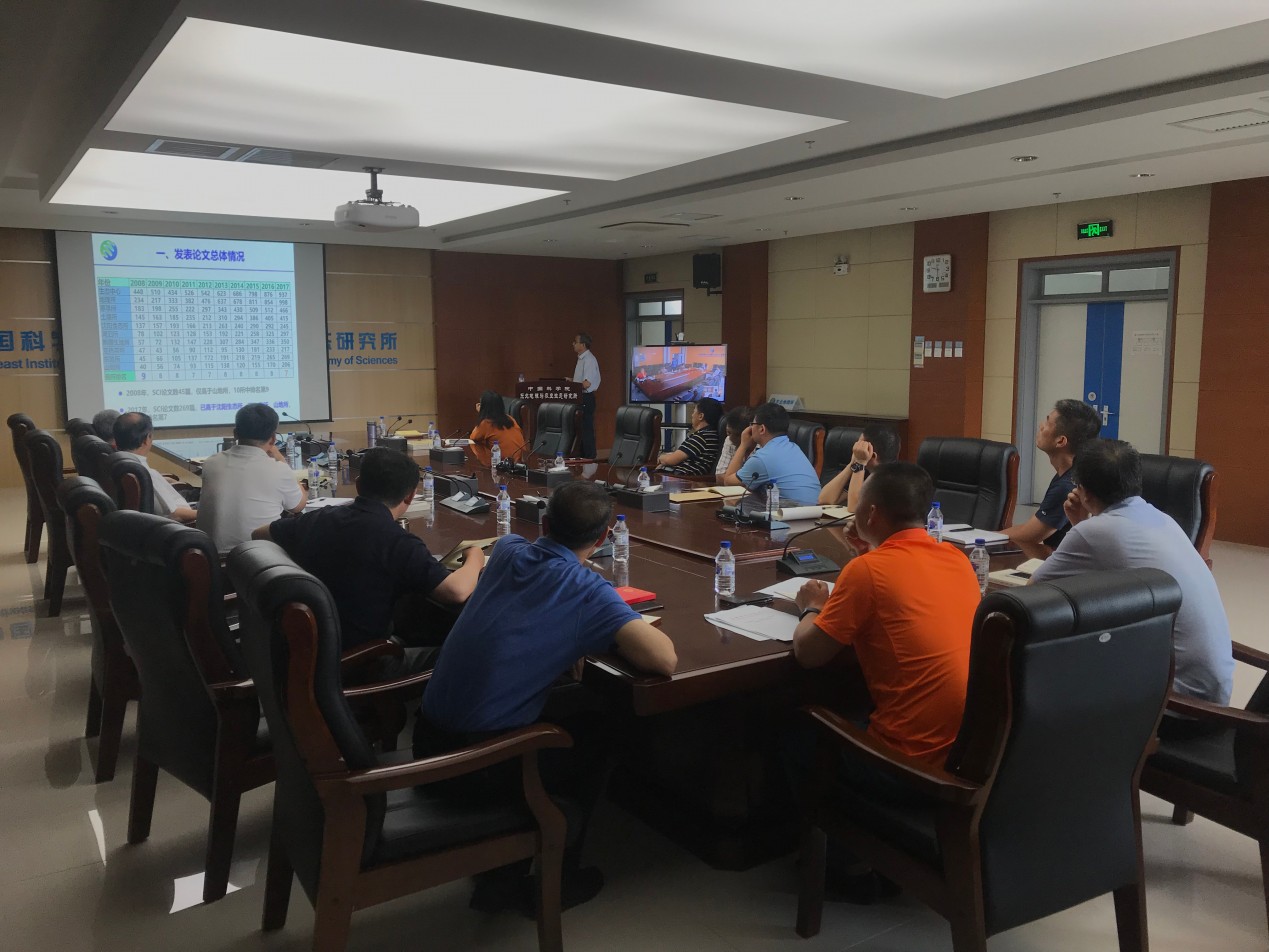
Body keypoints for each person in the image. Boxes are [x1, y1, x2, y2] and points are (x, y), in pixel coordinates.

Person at [418, 480, 677, 913]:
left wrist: (572, 640)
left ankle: (511, 860)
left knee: (574, 703)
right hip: (476, 767)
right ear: (604, 537)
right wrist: (587, 633)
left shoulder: (509, 550)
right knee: (599, 728)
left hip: (428, 739)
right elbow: (663, 659)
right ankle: (549, 881)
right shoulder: (587, 591)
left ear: (543, 524)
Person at [788, 461, 980, 901]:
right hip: (969, 753)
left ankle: (844, 863)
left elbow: (809, 654)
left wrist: (811, 607)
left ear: (871, 514)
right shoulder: (957, 558)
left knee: (797, 727)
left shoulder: (867, 572)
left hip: (913, 767)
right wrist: (868, 553)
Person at [1030, 439, 1234, 728]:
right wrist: (1084, 524)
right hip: (1212, 698)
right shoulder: (1162, 519)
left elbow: (1032, 593)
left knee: (1049, 661)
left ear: (1083, 491)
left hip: (1175, 707)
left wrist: (1084, 527)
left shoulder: (1095, 532)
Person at [254, 447, 484, 653]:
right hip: (362, 661)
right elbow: (456, 591)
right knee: (459, 653)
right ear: (410, 495)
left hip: (306, 649)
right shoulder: (397, 542)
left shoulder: (318, 518)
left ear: (358, 485)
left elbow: (259, 534)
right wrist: (475, 556)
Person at [196, 403, 306, 553]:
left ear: (235, 434)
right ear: (273, 439)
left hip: (208, 558)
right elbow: (298, 506)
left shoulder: (211, 463)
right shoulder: (278, 469)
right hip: (256, 559)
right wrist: (281, 460)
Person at [1002, 398, 1101, 547]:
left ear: (1061, 441)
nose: (1041, 426)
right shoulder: (1073, 471)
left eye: (1047, 423)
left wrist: (981, 537)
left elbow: (1029, 536)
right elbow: (1029, 528)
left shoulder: (1068, 486)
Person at [720, 401, 821, 506]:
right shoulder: (794, 447)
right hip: (815, 511)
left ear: (762, 429)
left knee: (733, 501)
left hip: (789, 513)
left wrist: (743, 445)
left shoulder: (762, 458)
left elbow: (728, 482)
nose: (750, 428)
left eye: (752, 424)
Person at [112, 412, 197, 523]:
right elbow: (176, 514)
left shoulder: (119, 461)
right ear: (146, 439)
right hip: (184, 521)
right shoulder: (144, 474)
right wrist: (207, 513)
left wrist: (162, 480)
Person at [817, 423, 901, 510]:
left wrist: (860, 462)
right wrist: (852, 463)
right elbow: (823, 499)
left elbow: (855, 508)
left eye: (860, 445)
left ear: (872, 455)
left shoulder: (891, 482)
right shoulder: (864, 473)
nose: (855, 448)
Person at [656, 397, 722, 476]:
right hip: (680, 477)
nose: (692, 415)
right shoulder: (710, 434)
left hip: (682, 478)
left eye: (694, 411)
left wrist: (661, 457)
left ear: (700, 416)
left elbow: (671, 460)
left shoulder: (701, 437)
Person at [467, 390, 526, 469]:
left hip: (503, 465)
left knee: (475, 446)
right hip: (520, 464)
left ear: (484, 407)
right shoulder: (510, 419)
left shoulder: (486, 423)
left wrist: (481, 414)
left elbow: (473, 438)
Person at [571, 331, 601, 458]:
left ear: (583, 345)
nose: (573, 344)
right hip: (579, 397)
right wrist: (571, 382)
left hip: (586, 398)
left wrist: (573, 385)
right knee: (580, 430)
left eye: (575, 342)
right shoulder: (581, 358)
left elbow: (587, 384)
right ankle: (582, 457)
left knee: (586, 429)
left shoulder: (589, 360)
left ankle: (589, 458)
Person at [715, 405, 753, 477]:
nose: (729, 437)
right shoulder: (729, 441)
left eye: (730, 433)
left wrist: (743, 446)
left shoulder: (762, 446)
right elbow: (719, 476)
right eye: (728, 432)